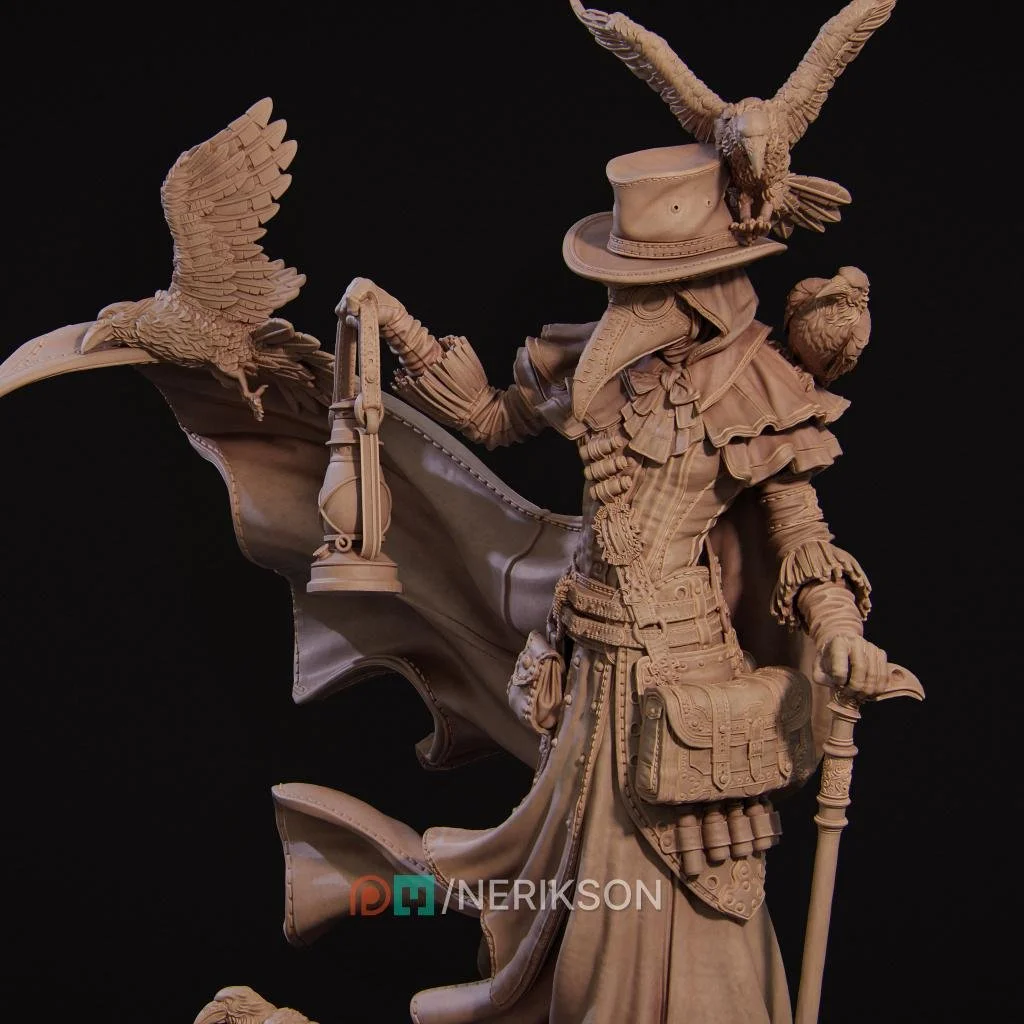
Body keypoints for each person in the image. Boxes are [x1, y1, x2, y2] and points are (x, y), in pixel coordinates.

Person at [329, 143, 889, 1023]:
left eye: (652, 286)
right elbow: (491, 417)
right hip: (591, 672)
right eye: (626, 283)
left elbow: (798, 530)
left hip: (683, 676)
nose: (630, 305)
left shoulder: (758, 385)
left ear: (705, 285)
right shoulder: (597, 366)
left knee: (694, 897)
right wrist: (394, 324)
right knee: (580, 892)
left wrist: (840, 631)